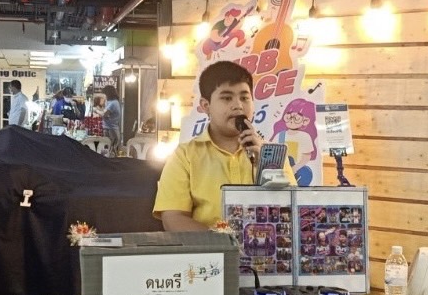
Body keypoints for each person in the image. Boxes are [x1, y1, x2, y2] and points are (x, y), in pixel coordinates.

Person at [153, 60, 295, 231]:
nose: (238, 106)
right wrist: (224, 243)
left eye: (244, 98)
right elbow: (173, 218)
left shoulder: (272, 154)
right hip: (209, 247)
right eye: (227, 98)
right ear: (206, 106)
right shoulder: (185, 156)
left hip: (266, 245)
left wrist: (265, 165)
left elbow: (292, 211)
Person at [102, 84, 121, 157]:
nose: (104, 96)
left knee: (110, 151)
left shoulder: (113, 103)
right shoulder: (110, 102)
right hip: (110, 128)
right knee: (108, 150)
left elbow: (104, 114)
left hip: (111, 130)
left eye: (105, 94)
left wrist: (97, 111)